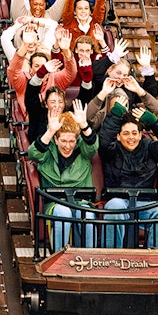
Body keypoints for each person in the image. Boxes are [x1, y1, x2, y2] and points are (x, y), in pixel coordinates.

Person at [98, 102, 158, 254]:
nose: (131, 138)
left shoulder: (149, 148)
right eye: (126, 133)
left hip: (145, 203)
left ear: (141, 135)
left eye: (135, 133)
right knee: (114, 206)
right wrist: (115, 115)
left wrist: (154, 122)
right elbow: (104, 140)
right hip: (119, 201)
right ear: (118, 136)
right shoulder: (112, 150)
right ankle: (111, 257)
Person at [28, 104, 99, 250]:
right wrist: (50, 131)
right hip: (55, 203)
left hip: (81, 201)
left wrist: (84, 125)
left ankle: (89, 256)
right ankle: (59, 256)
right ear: (56, 139)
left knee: (88, 215)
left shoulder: (83, 150)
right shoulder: (48, 150)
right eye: (64, 141)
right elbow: (33, 154)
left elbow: (93, 146)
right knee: (63, 212)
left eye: (72, 141)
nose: (68, 146)